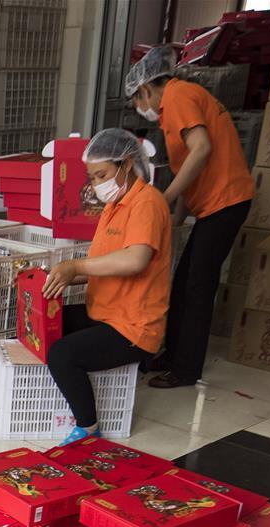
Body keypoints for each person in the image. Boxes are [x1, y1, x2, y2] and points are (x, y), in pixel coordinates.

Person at [126, 45, 254, 389]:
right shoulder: (178, 102)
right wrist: (175, 217)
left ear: (146, 89)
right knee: (183, 283)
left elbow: (202, 149)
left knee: (197, 287)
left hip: (225, 202)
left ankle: (186, 369)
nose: (141, 109)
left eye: (138, 102)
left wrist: (162, 199)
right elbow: (190, 169)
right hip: (214, 204)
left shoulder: (178, 97)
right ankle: (173, 356)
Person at [43, 129, 171, 446]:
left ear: (126, 164)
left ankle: (87, 428)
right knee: (48, 322)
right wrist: (61, 275)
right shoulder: (116, 206)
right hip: (104, 311)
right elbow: (105, 265)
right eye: (93, 177)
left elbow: (136, 260)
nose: (96, 184)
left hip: (133, 326)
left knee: (62, 354)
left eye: (101, 175)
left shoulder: (146, 203)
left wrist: (77, 266)